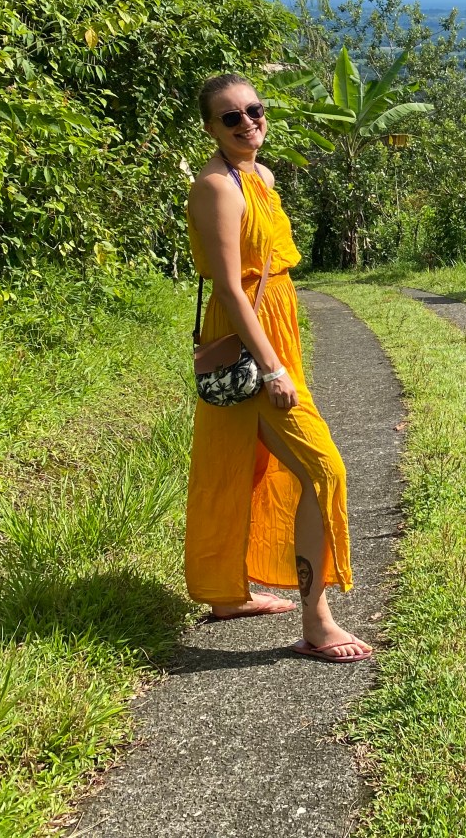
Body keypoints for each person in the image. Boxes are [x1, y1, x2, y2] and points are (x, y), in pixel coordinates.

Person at [183, 72, 371, 663]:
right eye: (230, 117)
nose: (247, 122)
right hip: (249, 337)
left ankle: (227, 595)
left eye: (254, 110)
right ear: (211, 129)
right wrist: (271, 367)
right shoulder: (217, 187)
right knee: (324, 468)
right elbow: (230, 288)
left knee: (242, 462)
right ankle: (318, 623)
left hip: (275, 328)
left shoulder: (260, 177)